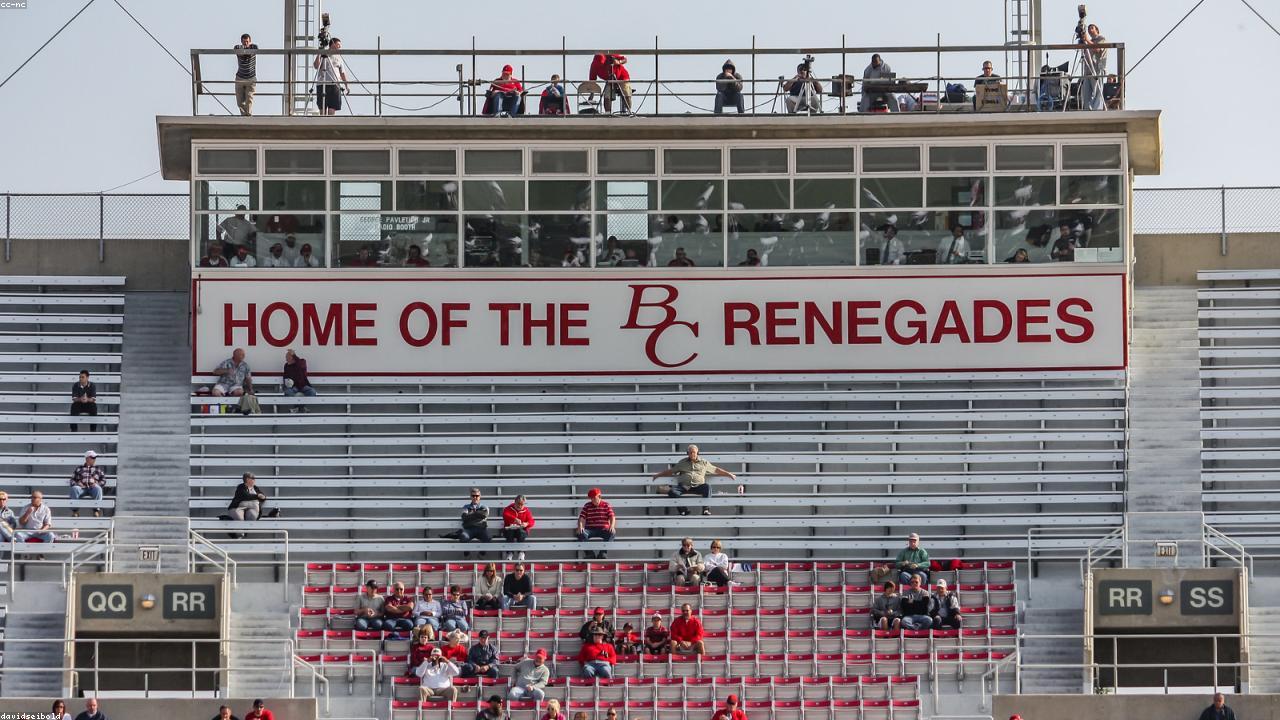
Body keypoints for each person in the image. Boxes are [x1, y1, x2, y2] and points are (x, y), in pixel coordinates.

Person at [653, 444, 737, 516]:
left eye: (694, 452)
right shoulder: (682, 462)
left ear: (697, 453)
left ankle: (706, 510)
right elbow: (671, 471)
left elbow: (716, 470)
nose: (692, 454)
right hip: (684, 486)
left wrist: (729, 474)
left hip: (698, 486)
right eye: (690, 452)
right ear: (687, 453)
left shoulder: (704, 462)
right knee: (672, 491)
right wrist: (658, 475)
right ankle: (683, 510)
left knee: (707, 487)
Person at [575, 488, 616, 559]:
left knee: (612, 533)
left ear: (599, 496)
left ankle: (603, 553)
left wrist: (612, 526)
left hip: (603, 529)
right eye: (591, 498)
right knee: (580, 533)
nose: (592, 500)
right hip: (590, 529)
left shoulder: (606, 505)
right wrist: (580, 526)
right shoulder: (587, 505)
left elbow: (612, 517)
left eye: (594, 498)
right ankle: (590, 554)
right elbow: (581, 518)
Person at [313, 38, 350, 116]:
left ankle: (330, 125)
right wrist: (319, 53)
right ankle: (322, 125)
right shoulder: (323, 55)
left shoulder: (339, 57)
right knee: (322, 109)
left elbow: (342, 73)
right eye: (338, 45)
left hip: (335, 85)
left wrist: (347, 85)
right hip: (322, 84)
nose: (340, 47)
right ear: (333, 44)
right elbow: (316, 66)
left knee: (332, 109)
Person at [1079, 21, 1108, 111]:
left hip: (1097, 68)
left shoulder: (1101, 38)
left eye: (1092, 28)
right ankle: (1087, 108)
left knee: (1097, 90)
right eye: (1088, 29)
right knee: (1086, 90)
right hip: (1088, 69)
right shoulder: (1089, 41)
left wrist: (1087, 40)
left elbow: (1097, 49)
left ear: (1097, 30)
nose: (1090, 30)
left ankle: (1097, 109)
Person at [69, 450, 105, 517]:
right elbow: (72, 480)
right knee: (74, 488)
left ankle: (96, 510)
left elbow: (103, 480)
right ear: (87, 458)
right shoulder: (79, 468)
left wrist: (97, 484)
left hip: (93, 488)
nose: (94, 459)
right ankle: (75, 511)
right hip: (82, 488)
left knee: (98, 488)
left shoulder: (97, 469)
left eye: (95, 458)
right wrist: (77, 483)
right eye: (93, 458)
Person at [501, 494, 535, 559]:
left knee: (521, 533)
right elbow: (505, 515)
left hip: (521, 530)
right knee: (509, 533)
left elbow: (531, 521)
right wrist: (514, 519)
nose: (519, 506)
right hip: (510, 529)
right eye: (518, 504)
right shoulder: (508, 508)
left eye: (522, 504)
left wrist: (526, 524)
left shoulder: (526, 511)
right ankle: (510, 553)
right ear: (515, 502)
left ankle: (521, 552)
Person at [233, 33, 258, 116]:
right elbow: (237, 49)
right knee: (239, 101)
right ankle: (244, 115)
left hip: (251, 78)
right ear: (241, 42)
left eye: (247, 42)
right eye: (244, 42)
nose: (245, 44)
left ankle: (248, 115)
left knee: (249, 98)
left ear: (250, 41)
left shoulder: (253, 47)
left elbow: (252, 51)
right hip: (240, 77)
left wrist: (245, 52)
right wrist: (244, 51)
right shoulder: (238, 47)